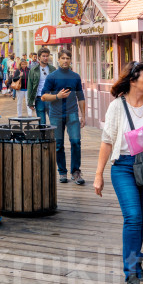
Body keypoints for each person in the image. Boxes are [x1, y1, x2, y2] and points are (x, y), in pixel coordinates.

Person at [93, 61, 143, 284]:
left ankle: (136, 260)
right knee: (133, 217)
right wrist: (98, 174)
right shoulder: (117, 106)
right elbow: (107, 140)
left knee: (140, 219)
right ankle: (131, 275)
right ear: (134, 80)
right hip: (123, 166)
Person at [41, 49, 86, 184]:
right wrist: (57, 96)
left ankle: (75, 172)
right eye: (63, 58)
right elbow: (43, 97)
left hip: (72, 114)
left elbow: (81, 97)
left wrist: (83, 115)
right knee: (58, 145)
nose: (65, 60)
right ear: (58, 60)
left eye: (68, 58)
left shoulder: (75, 77)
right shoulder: (52, 77)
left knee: (76, 142)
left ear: (70, 60)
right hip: (56, 114)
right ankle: (62, 172)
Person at [26, 48, 55, 126]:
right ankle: (42, 137)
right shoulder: (33, 70)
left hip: (51, 98)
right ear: (39, 57)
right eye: (43, 56)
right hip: (39, 99)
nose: (45, 58)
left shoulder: (52, 69)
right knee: (42, 124)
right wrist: (30, 102)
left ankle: (53, 138)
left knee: (54, 122)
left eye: (47, 56)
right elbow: (30, 86)